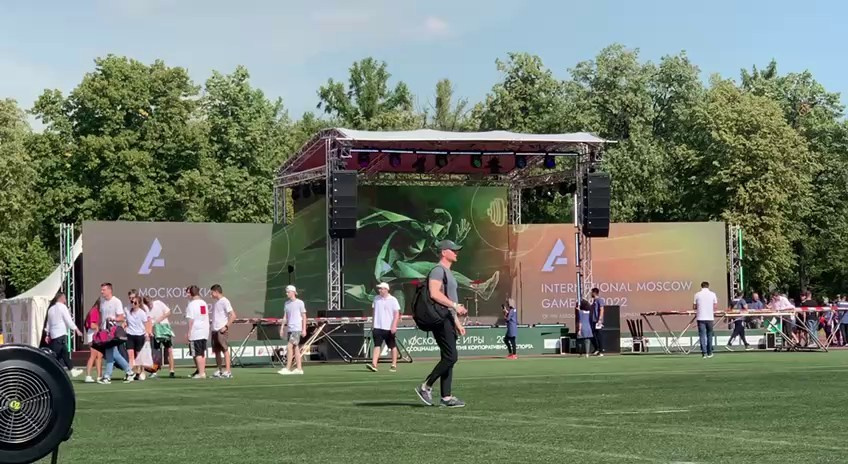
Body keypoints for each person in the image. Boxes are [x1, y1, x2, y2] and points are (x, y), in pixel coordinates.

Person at [415, 240, 468, 408]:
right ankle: (426, 386)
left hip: (447, 318)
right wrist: (455, 306)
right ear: (444, 252)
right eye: (453, 250)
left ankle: (446, 397)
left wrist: (457, 322)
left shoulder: (448, 272)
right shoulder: (438, 270)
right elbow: (434, 293)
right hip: (440, 318)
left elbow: (449, 300)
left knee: (448, 357)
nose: (456, 253)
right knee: (451, 356)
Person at [98, 282, 133, 384]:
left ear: (109, 290)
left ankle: (107, 376)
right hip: (104, 332)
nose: (102, 292)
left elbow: (121, 317)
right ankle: (129, 372)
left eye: (104, 290)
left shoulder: (116, 301)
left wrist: (113, 318)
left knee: (110, 353)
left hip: (112, 332)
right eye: (102, 290)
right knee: (115, 354)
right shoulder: (102, 302)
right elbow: (102, 317)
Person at [44, 292, 84, 377]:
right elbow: (68, 320)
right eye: (65, 297)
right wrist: (76, 329)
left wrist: (47, 334)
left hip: (54, 334)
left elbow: (48, 323)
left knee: (64, 353)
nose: (65, 299)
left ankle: (72, 370)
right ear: (61, 298)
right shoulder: (62, 307)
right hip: (60, 333)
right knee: (54, 355)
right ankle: (48, 371)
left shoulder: (51, 309)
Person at [367, 282, 400, 373]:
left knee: (392, 346)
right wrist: (373, 324)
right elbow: (374, 312)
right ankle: (374, 364)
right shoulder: (376, 299)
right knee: (377, 345)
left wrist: (394, 325)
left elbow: (396, 314)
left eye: (381, 288)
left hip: (389, 327)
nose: (379, 290)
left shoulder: (393, 300)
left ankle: (394, 364)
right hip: (377, 327)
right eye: (379, 289)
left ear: (386, 289)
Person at [144, 296, 175, 378]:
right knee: (155, 352)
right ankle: (154, 371)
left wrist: (159, 319)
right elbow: (148, 322)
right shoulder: (146, 310)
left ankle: (172, 371)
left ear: (152, 300)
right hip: (155, 332)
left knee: (169, 350)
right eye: (148, 304)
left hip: (164, 329)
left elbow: (168, 312)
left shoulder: (158, 303)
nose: (150, 305)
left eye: (150, 303)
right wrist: (149, 331)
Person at [279, 285, 306, 375]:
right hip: (290, 329)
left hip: (296, 329)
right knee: (296, 348)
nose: (287, 293)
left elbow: (304, 316)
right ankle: (299, 369)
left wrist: (304, 329)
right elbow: (285, 317)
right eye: (286, 292)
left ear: (293, 292)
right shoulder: (286, 303)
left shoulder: (300, 303)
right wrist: (282, 328)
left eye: (288, 292)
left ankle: (287, 368)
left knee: (289, 347)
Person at [210, 284, 237, 379]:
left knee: (224, 349)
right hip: (214, 330)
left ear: (216, 292)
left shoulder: (225, 301)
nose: (210, 295)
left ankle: (228, 371)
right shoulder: (216, 302)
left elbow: (233, 315)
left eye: (212, 293)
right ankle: (219, 370)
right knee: (217, 351)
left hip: (221, 330)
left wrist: (226, 326)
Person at [185, 285, 210, 379]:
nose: (187, 295)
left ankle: (201, 373)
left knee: (197, 353)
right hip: (204, 331)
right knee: (201, 353)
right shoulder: (203, 303)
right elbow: (202, 315)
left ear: (191, 293)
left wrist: (189, 332)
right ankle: (201, 371)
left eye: (188, 293)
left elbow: (191, 320)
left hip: (196, 331)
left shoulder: (192, 304)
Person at [125, 296, 152, 381]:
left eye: (135, 303)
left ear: (139, 304)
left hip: (140, 335)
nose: (133, 304)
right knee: (130, 356)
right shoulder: (128, 311)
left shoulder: (142, 313)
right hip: (130, 335)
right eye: (132, 302)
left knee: (139, 356)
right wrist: (124, 327)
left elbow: (146, 324)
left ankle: (141, 372)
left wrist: (147, 334)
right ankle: (130, 373)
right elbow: (125, 321)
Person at [693, 281, 718, 358]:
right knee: (709, 335)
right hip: (710, 317)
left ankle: (704, 353)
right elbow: (715, 306)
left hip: (700, 317)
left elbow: (694, 306)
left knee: (702, 335)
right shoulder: (713, 294)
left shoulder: (697, 294)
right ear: (708, 286)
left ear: (701, 286)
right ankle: (710, 352)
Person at [83, 299, 103, 383]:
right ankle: (88, 375)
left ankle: (99, 376)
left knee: (99, 355)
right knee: (93, 355)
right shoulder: (94, 311)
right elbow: (91, 325)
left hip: (95, 335)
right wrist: (98, 328)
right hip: (92, 335)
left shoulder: (97, 311)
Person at [590, 288, 605, 356]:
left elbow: (602, 309)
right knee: (594, 335)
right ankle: (597, 349)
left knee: (599, 335)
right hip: (593, 320)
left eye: (592, 292)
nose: (591, 294)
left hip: (598, 321)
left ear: (594, 293)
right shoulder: (594, 301)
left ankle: (601, 350)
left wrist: (600, 319)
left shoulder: (600, 300)